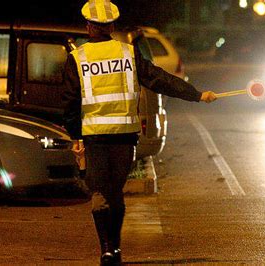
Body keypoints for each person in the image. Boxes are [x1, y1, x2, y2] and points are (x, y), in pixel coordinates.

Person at [63, 0, 217, 265]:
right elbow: (159, 79)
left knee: (100, 194)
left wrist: (75, 137)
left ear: (88, 26)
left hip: (94, 139)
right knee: (115, 192)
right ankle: (117, 248)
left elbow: (69, 102)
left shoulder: (77, 58)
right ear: (111, 26)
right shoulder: (128, 53)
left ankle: (106, 250)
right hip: (126, 137)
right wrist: (196, 95)